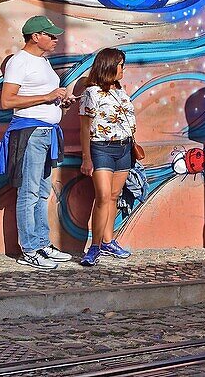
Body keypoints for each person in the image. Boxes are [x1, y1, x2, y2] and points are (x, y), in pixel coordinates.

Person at [0, 15, 75, 270]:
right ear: (35, 36)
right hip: (30, 133)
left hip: (48, 133)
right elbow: (7, 101)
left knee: (42, 192)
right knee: (29, 192)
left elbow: (44, 97)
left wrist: (60, 101)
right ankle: (29, 248)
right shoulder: (19, 62)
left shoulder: (43, 62)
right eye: (50, 35)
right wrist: (47, 96)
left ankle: (42, 243)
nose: (55, 39)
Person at [78, 48, 136, 266]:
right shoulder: (91, 93)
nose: (123, 69)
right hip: (101, 148)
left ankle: (108, 241)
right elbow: (85, 128)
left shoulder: (121, 91)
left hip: (124, 149)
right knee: (102, 196)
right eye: (121, 64)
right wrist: (86, 158)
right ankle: (94, 246)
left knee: (113, 196)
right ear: (109, 65)